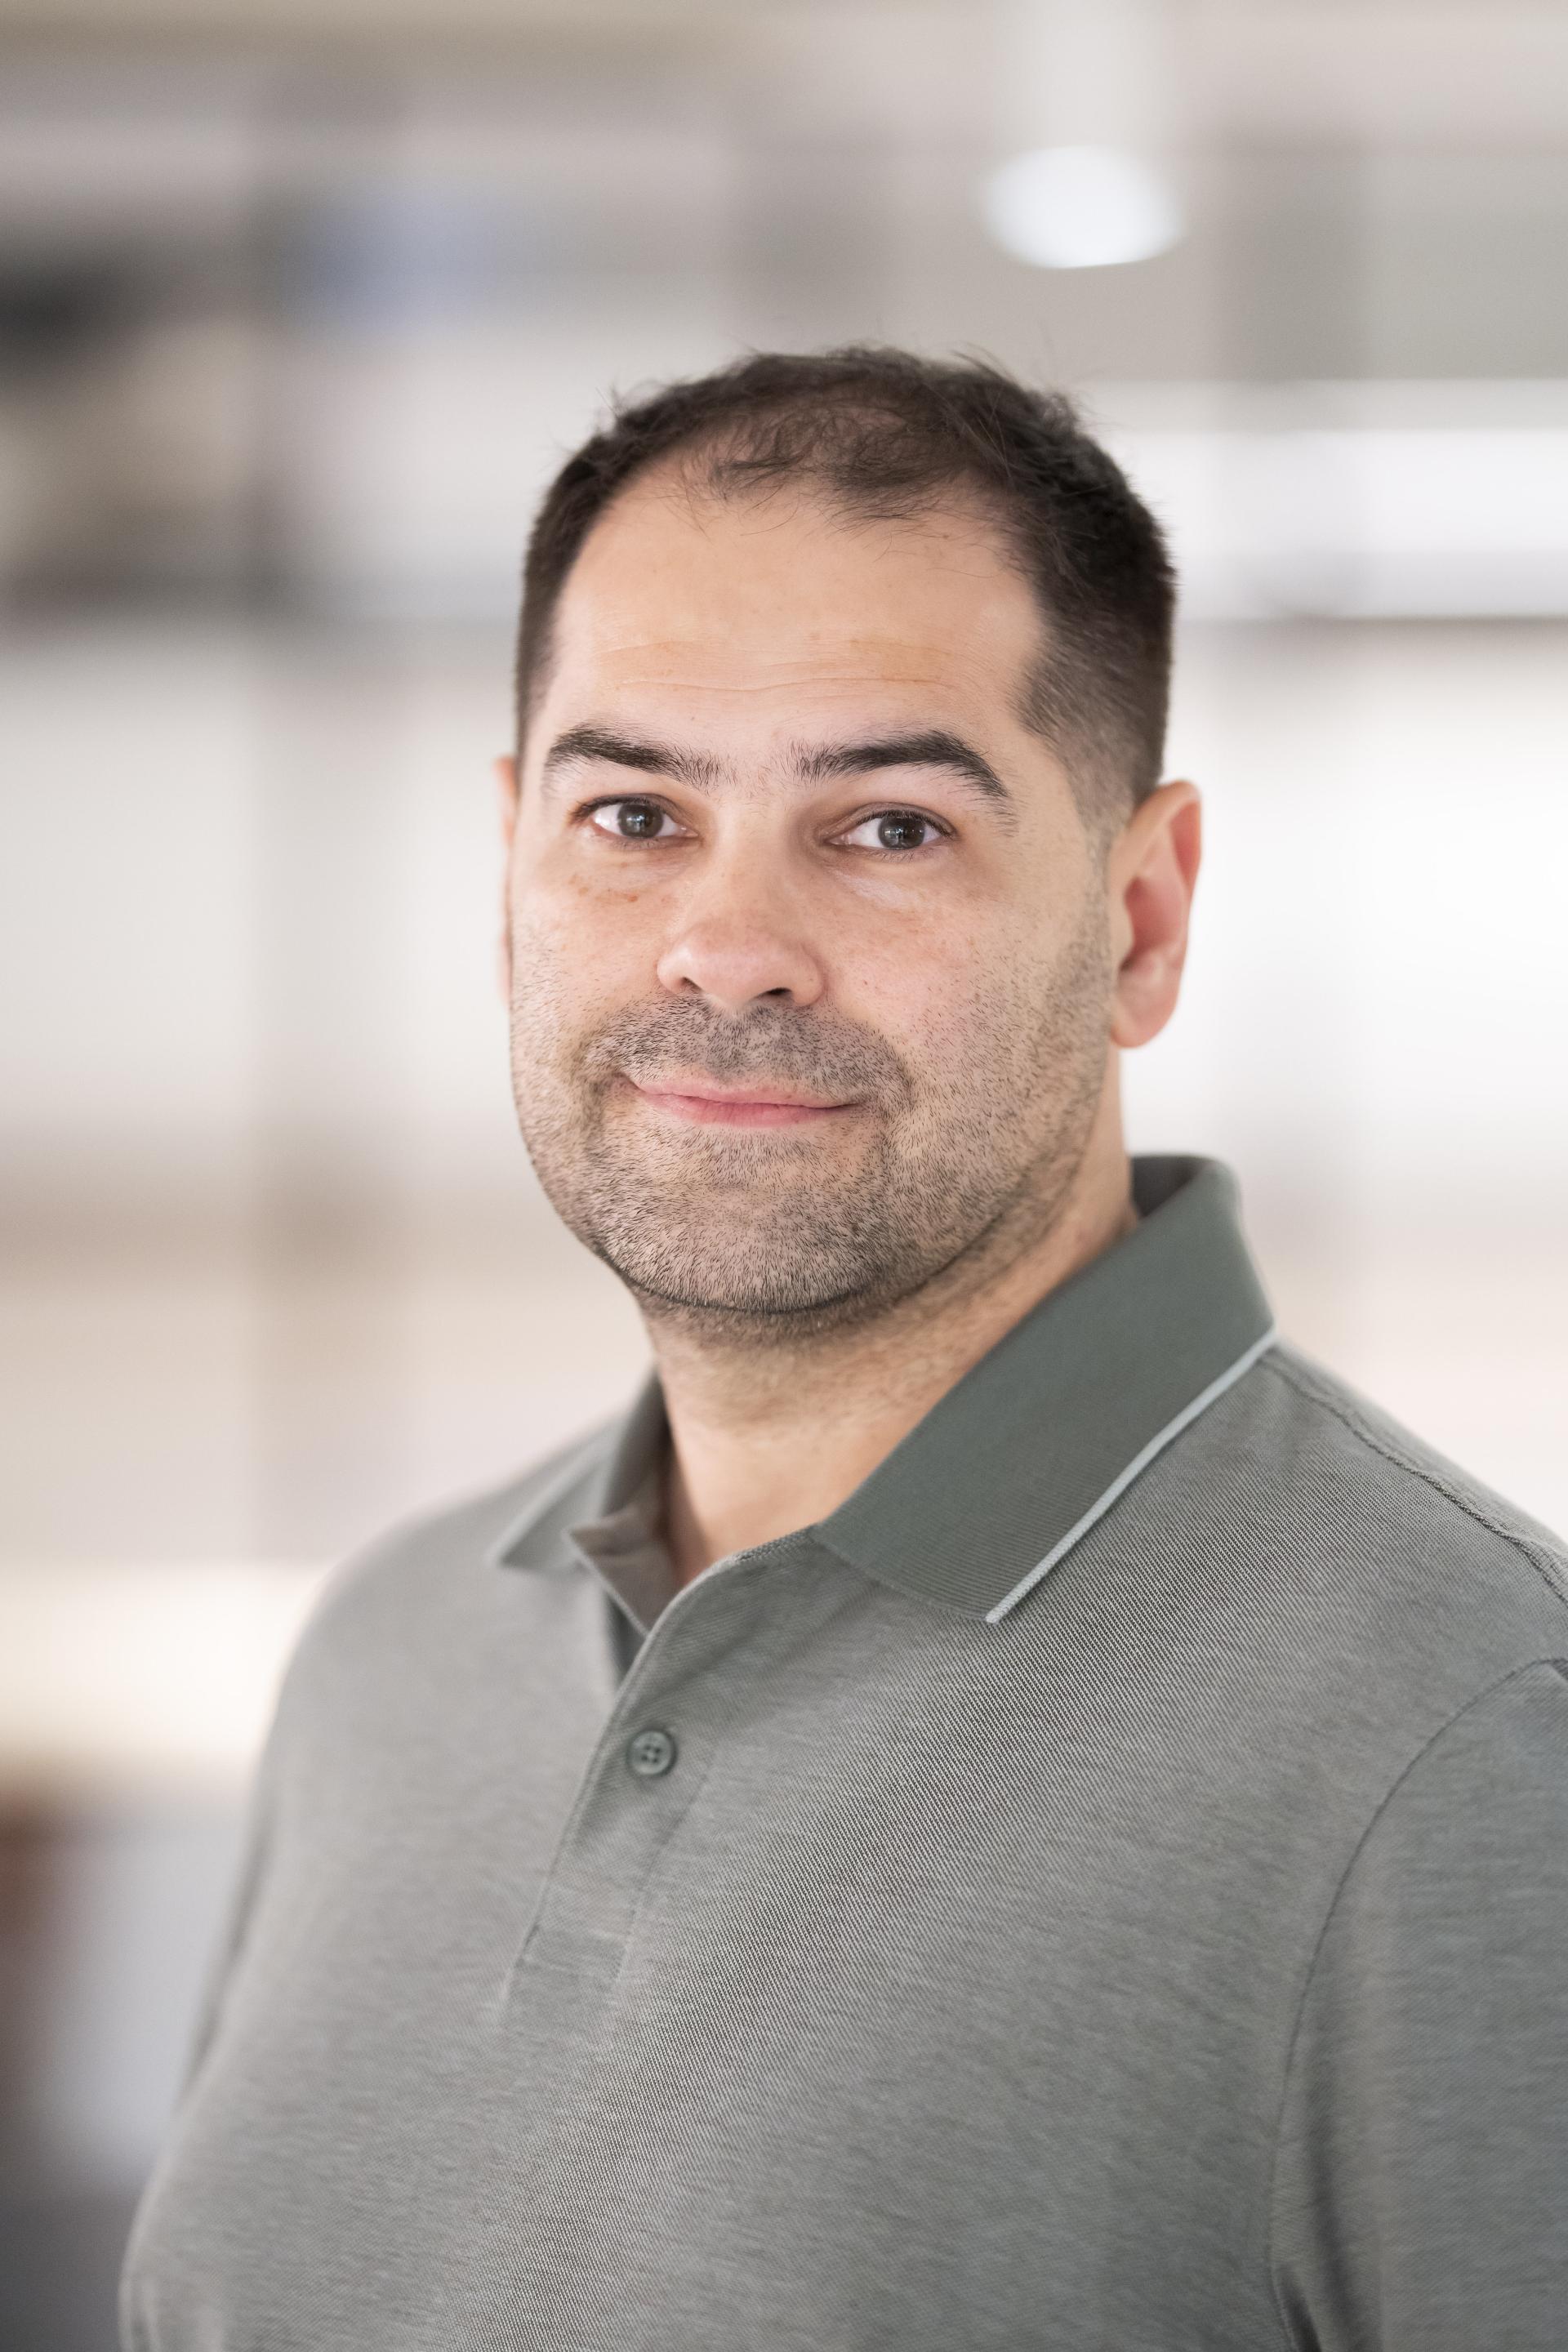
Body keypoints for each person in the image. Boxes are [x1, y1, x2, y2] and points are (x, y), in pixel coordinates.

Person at [121, 349, 1568, 2352]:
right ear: (513, 867)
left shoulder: (1472, 1737)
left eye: (888, 827)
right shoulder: (391, 1654)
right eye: (634, 813)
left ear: (1141, 920)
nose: (729, 947)